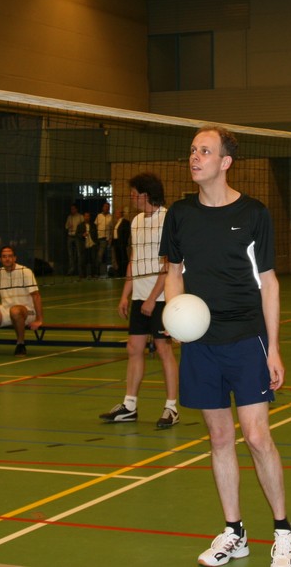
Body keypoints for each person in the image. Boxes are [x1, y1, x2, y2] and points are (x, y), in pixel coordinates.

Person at [160, 125, 291, 567]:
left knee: (256, 437)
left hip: (246, 337)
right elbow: (173, 271)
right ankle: (234, 533)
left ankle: (283, 532)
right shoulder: (180, 213)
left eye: (205, 151)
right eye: (192, 150)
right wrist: (175, 314)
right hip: (201, 342)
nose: (194, 157)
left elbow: (269, 283)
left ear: (225, 162)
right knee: (220, 438)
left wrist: (273, 348)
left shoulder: (254, 213)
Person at [100, 173, 179, 428]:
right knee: (134, 348)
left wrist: (152, 298)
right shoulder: (135, 222)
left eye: (134, 193)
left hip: (162, 297)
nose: (131, 197)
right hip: (139, 296)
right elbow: (134, 260)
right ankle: (129, 406)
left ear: (145, 194)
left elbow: (169, 265)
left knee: (164, 349)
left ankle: (171, 408)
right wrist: (126, 294)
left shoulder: (167, 219)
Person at [0, 245, 43, 357]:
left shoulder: (25, 272)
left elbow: (36, 296)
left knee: (15, 311)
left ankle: (20, 344)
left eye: (10, 256)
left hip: (27, 312)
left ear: (15, 258)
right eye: (4, 256)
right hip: (6, 311)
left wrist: (39, 319)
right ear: (0, 259)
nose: (7, 259)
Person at [75, 211, 97, 279]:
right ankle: (83, 275)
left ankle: (93, 274)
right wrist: (82, 235)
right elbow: (77, 234)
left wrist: (96, 242)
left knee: (93, 260)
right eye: (86, 216)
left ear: (90, 217)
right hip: (83, 245)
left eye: (88, 216)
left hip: (92, 244)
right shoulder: (80, 225)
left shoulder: (93, 225)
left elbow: (96, 234)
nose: (87, 217)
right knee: (83, 260)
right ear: (83, 217)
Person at [95, 202, 113, 278]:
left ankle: (102, 273)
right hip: (98, 238)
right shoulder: (99, 216)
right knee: (99, 256)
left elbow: (112, 229)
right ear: (103, 207)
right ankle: (99, 272)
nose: (106, 208)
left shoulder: (111, 217)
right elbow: (95, 226)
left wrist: (110, 238)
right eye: (105, 207)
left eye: (108, 207)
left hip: (106, 239)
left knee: (103, 256)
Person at [113, 206, 131, 278]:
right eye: (116, 213)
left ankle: (124, 272)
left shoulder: (125, 222)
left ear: (121, 214)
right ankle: (120, 271)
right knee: (118, 257)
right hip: (116, 242)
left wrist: (124, 242)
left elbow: (127, 233)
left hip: (121, 243)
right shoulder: (116, 222)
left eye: (117, 213)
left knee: (123, 257)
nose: (116, 214)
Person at [64, 204, 82, 275]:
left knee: (79, 253)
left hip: (77, 236)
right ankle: (71, 269)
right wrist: (69, 226)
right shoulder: (69, 217)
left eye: (73, 209)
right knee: (70, 254)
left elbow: (83, 225)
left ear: (76, 209)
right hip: (70, 236)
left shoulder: (80, 217)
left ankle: (79, 270)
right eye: (71, 209)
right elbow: (66, 226)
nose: (72, 210)